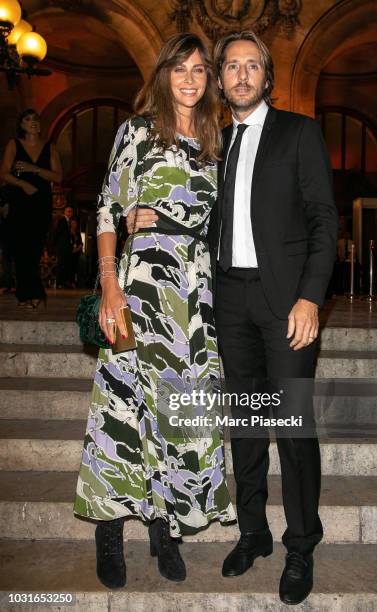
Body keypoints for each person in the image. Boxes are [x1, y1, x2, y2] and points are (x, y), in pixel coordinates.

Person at [127, 30, 338, 605]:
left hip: (287, 303)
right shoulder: (211, 142)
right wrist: (147, 214)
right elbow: (190, 207)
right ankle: (254, 533)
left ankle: (301, 544)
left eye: (253, 67)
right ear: (220, 80)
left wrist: (311, 298)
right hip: (227, 300)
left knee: (292, 429)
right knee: (245, 428)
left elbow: (324, 220)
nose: (241, 76)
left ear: (267, 78)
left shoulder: (299, 133)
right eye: (232, 67)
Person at [73, 32, 235, 589]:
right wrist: (109, 285)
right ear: (163, 74)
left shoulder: (217, 139)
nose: (190, 79)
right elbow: (106, 207)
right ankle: (110, 531)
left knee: (179, 410)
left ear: (209, 78)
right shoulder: (137, 131)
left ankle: (164, 528)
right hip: (140, 283)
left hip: (194, 294)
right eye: (180, 68)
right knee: (123, 407)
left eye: (199, 70)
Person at [0, 109, 63, 308]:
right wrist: (23, 184)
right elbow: (4, 174)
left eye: (35, 119)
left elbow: (58, 177)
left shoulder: (50, 147)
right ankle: (30, 294)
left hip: (41, 201)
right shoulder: (14, 144)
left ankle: (31, 294)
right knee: (20, 248)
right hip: (20, 199)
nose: (33, 122)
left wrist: (33, 169)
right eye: (27, 119)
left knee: (35, 248)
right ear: (21, 125)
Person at [53, 205, 74, 288]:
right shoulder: (62, 220)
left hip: (66, 247)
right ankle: (59, 283)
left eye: (71, 211)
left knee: (65, 265)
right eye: (68, 211)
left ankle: (64, 282)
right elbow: (58, 233)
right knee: (61, 264)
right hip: (62, 247)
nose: (70, 213)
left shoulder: (69, 221)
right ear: (64, 212)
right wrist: (56, 245)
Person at [69, 218, 83, 287]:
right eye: (73, 223)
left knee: (75, 268)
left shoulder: (77, 233)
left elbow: (80, 243)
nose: (74, 225)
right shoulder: (68, 232)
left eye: (75, 223)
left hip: (76, 253)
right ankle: (70, 282)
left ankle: (74, 282)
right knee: (70, 267)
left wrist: (77, 249)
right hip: (70, 253)